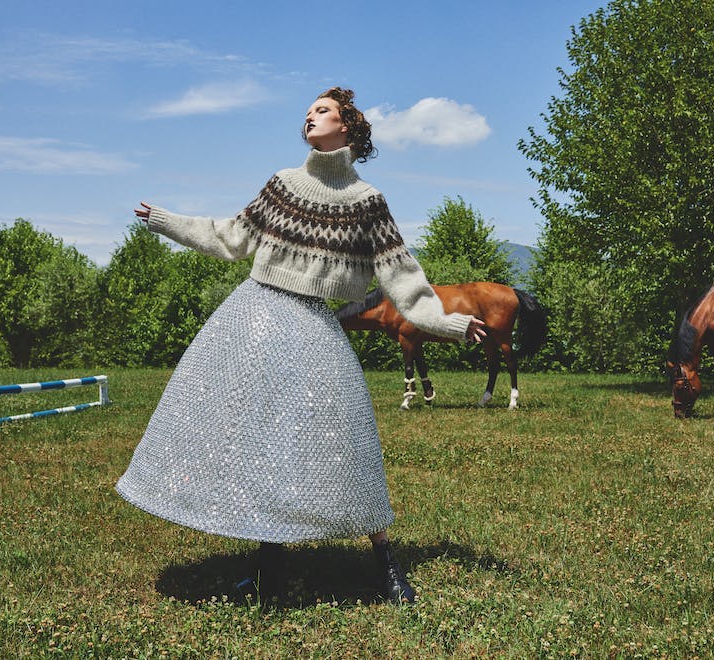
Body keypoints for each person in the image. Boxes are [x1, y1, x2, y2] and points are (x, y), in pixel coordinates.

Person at [116, 87, 486, 605]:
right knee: (257, 443)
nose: (310, 117)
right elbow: (230, 238)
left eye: (323, 110)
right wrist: (164, 220)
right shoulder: (282, 185)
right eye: (308, 111)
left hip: (314, 329)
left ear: (349, 127)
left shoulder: (367, 202)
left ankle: (386, 567)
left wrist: (447, 323)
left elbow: (404, 280)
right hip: (253, 321)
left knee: (347, 445)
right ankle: (268, 569)